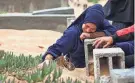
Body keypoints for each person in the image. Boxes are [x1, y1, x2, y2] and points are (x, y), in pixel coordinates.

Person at [41, 4, 118, 68]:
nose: (88, 30)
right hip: (76, 67)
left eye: (92, 29)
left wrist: (91, 35)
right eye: (87, 26)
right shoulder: (73, 33)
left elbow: (113, 32)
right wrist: (48, 60)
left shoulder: (100, 22)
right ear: (84, 20)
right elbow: (55, 49)